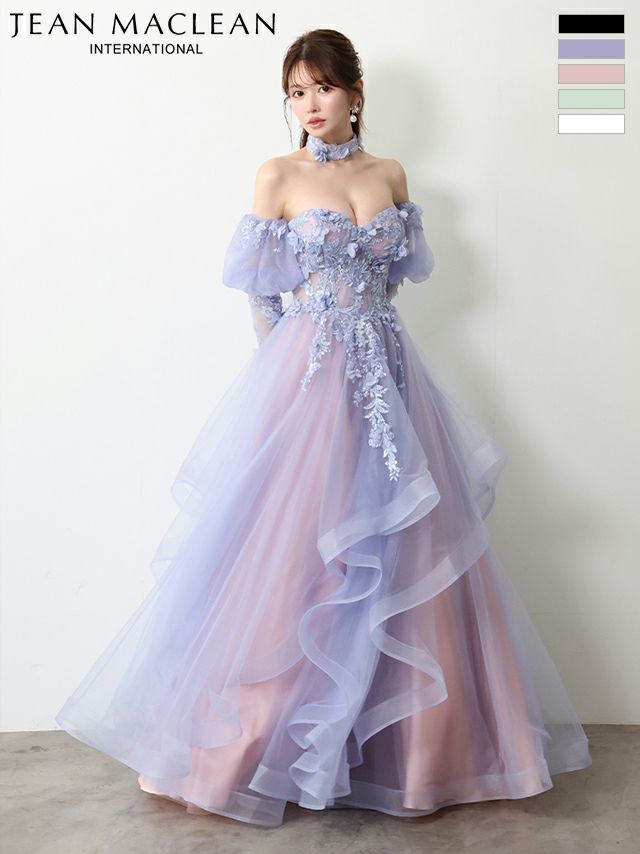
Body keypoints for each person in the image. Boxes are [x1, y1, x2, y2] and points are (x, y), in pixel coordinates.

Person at [55, 29, 592, 828]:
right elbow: (261, 297)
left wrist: (367, 343)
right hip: (309, 377)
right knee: (302, 554)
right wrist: (293, 378)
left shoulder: (391, 174)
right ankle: (258, 753)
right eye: (296, 92)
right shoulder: (277, 175)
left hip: (391, 373)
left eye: (323, 88)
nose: (309, 105)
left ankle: (416, 754)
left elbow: (393, 281)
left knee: (408, 545)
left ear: (355, 93)